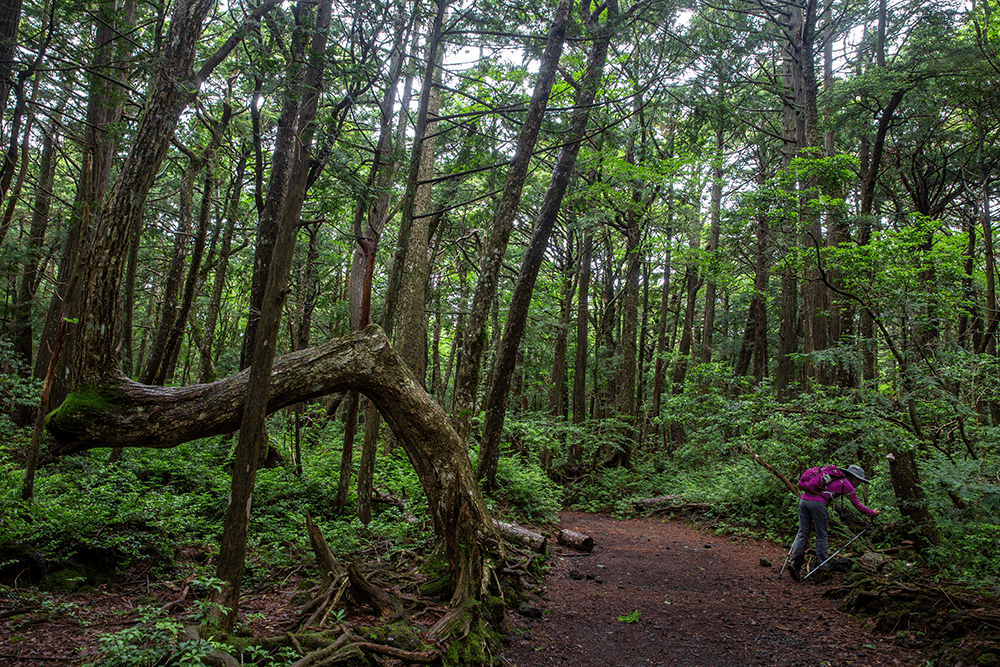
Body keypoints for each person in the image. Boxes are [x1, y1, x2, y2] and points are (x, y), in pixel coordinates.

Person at [788, 464, 880, 581]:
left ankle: (795, 563)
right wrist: (872, 513)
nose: (859, 484)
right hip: (818, 504)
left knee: (802, 532)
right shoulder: (847, 484)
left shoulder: (833, 477)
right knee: (821, 535)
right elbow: (858, 506)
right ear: (854, 478)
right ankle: (822, 566)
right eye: (859, 481)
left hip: (803, 501)